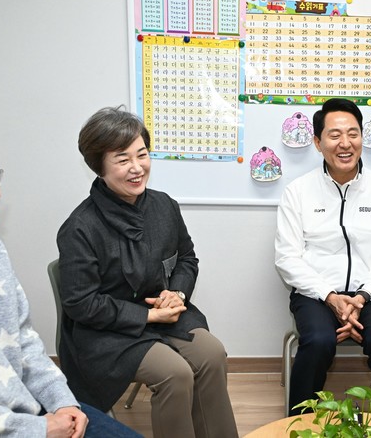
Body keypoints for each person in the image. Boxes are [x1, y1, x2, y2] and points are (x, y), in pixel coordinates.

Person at [56, 108, 238, 438]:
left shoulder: (164, 206)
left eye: (142, 154)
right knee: (175, 373)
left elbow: (187, 259)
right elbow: (81, 304)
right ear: (99, 166)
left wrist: (177, 294)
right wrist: (149, 316)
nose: (137, 167)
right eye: (122, 159)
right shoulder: (80, 228)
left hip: (164, 315)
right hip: (106, 332)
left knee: (212, 354)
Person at [0, 126, 140, 437]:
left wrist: (63, 402)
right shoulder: (82, 225)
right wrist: (38, 429)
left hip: (30, 408)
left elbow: (23, 340)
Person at [275, 98, 371, 415]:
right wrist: (330, 296)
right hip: (315, 293)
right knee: (318, 341)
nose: (345, 143)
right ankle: (299, 426)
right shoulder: (297, 191)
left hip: (370, 293)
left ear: (362, 137)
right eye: (334, 135)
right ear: (317, 142)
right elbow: (287, 258)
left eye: (353, 133)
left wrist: (361, 298)